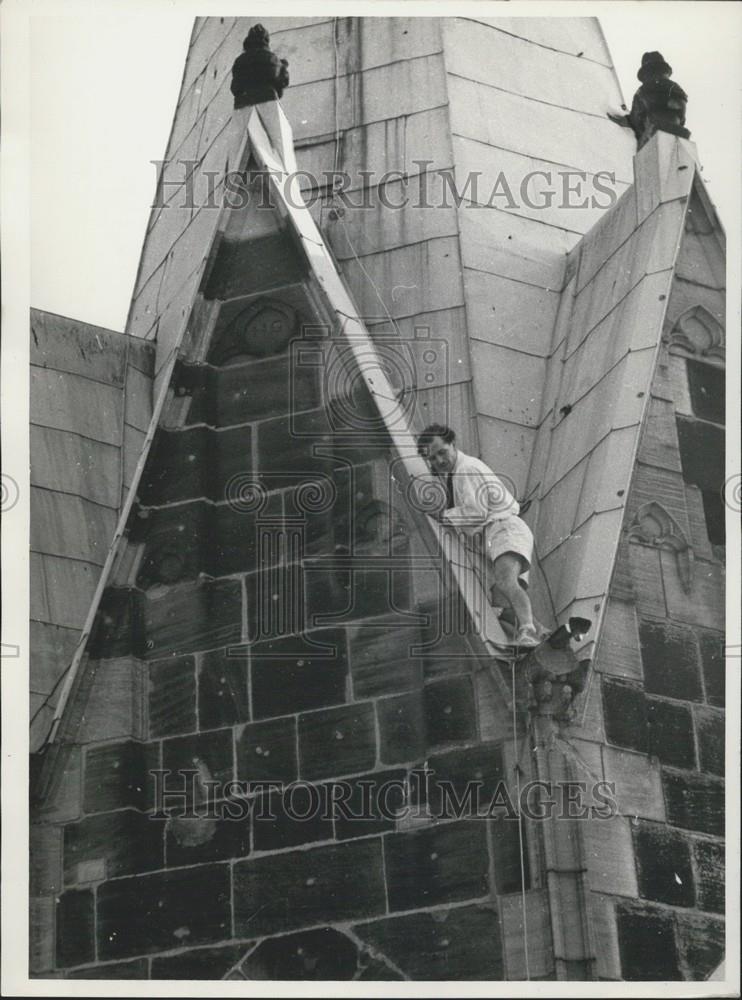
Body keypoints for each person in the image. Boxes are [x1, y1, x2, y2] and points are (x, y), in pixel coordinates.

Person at [416, 423, 545, 647]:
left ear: (453, 445)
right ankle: (544, 634)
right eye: (433, 458)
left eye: (442, 452)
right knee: (501, 601)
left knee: (506, 582)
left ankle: (528, 630)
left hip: (504, 528)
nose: (438, 461)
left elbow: (477, 513)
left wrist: (443, 515)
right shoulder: (455, 475)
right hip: (493, 536)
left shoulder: (466, 469)